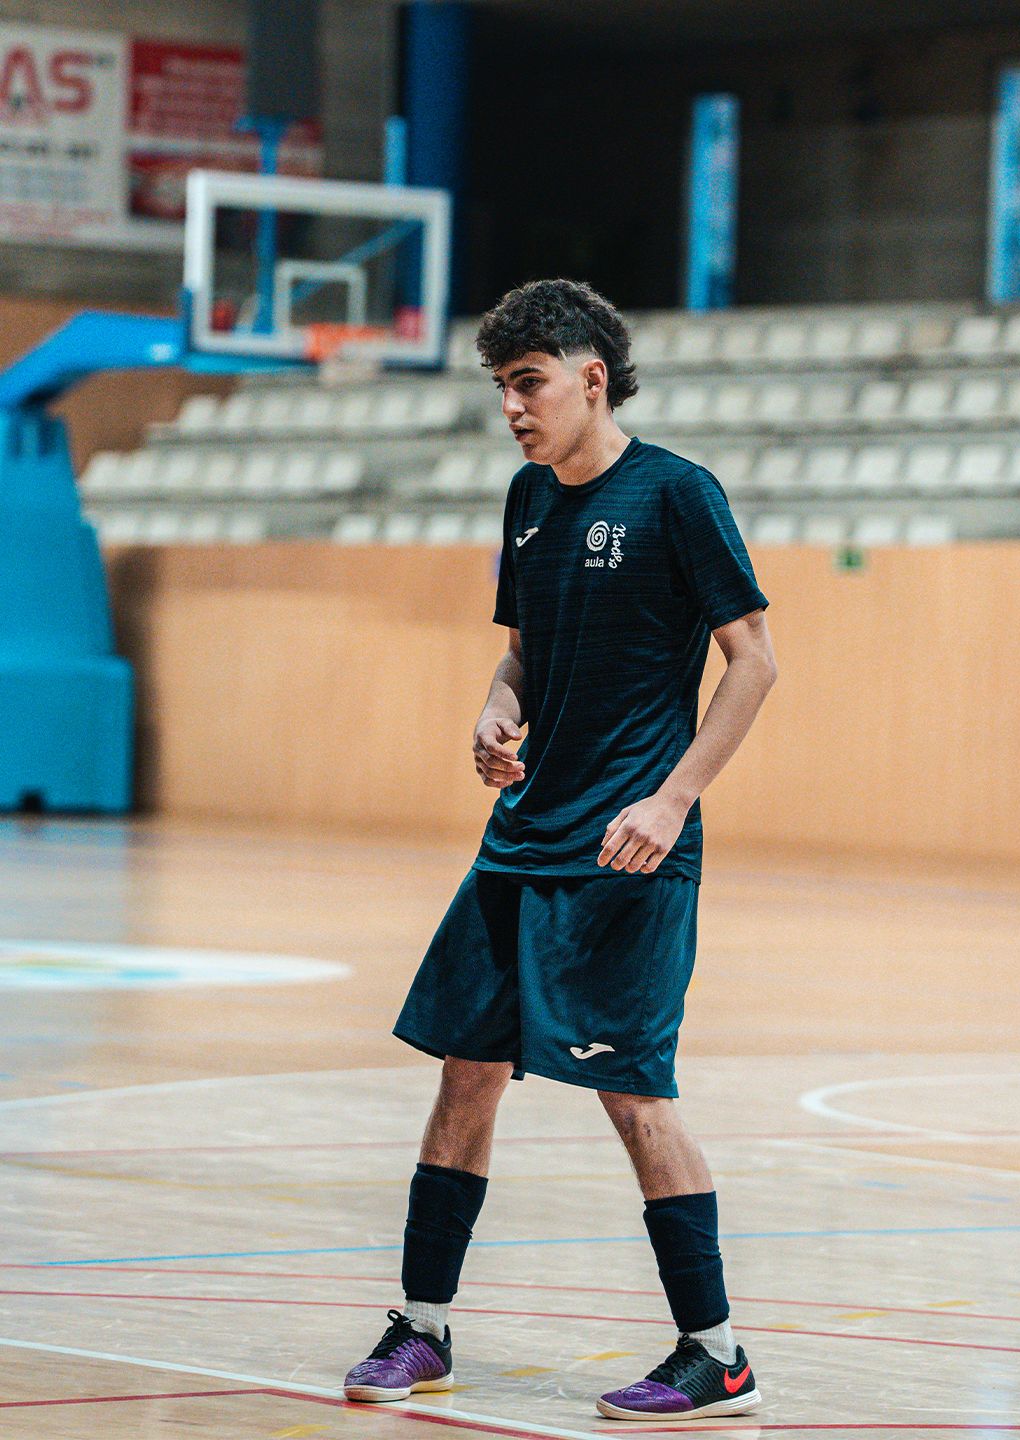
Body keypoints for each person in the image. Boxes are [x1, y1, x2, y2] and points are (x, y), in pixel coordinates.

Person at [344, 278, 777, 1420]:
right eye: (501, 387)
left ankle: (717, 1352)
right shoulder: (528, 499)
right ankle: (423, 1325)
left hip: (626, 853)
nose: (513, 407)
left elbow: (755, 663)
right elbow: (524, 654)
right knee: (465, 1074)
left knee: (633, 1096)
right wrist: (499, 710)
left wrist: (673, 800)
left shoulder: (677, 493)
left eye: (528, 383)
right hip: (522, 842)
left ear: (593, 379)